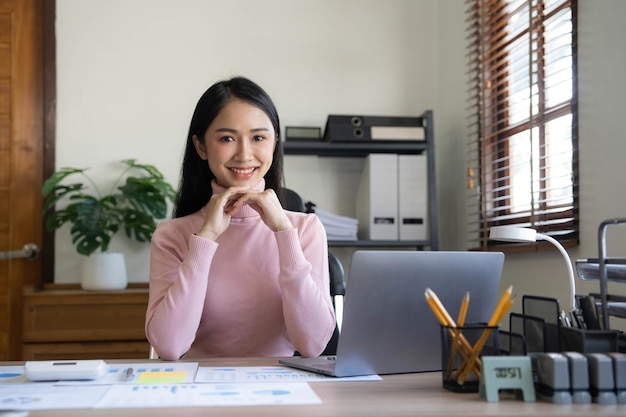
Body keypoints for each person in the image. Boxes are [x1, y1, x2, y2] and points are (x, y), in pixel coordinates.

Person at [145, 76, 336, 360]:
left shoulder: (305, 229)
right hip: (197, 393)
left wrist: (284, 232)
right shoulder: (173, 235)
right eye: (227, 138)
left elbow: (312, 345)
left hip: (281, 393)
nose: (245, 155)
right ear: (201, 146)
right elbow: (170, 347)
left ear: (274, 143)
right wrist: (205, 239)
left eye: (258, 137)